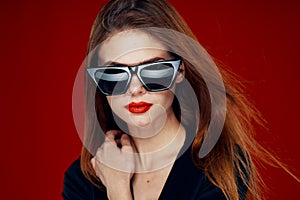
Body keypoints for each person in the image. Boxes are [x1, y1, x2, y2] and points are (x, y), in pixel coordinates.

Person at [63, 0, 298, 200]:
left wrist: (118, 191)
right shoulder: (82, 181)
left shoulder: (220, 166)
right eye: (114, 75)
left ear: (180, 72)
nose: (135, 89)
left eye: (154, 70)